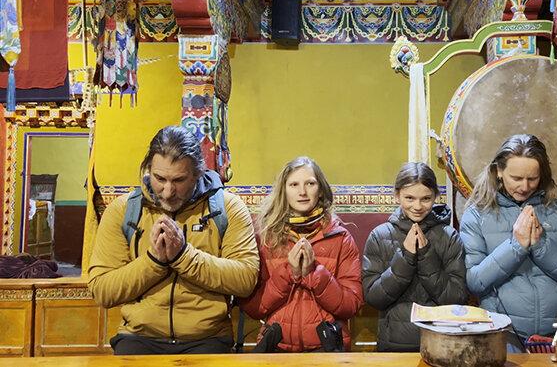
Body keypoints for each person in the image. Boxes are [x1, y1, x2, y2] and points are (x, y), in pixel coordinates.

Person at [88, 126, 260, 355]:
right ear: (148, 169)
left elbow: (245, 279)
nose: (168, 192)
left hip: (208, 340)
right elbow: (102, 291)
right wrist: (154, 261)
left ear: (197, 173)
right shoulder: (123, 211)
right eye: (160, 178)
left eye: (179, 180)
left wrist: (183, 256)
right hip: (138, 339)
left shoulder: (228, 208)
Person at [460, 134, 557, 351]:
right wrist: (516, 246)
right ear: (498, 171)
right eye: (516, 178)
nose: (525, 187)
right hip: (503, 335)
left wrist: (541, 246)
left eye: (532, 179)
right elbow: (475, 281)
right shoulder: (476, 215)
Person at [239, 156, 363, 352]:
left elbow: (351, 305)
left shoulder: (341, 238)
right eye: (294, 184)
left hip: (326, 347)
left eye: (310, 184)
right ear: (284, 190)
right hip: (277, 347)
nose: (302, 192)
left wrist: (314, 274)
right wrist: (290, 273)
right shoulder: (266, 238)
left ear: (320, 189)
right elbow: (254, 307)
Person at [362, 162, 468, 351]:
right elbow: (373, 297)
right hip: (393, 343)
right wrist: (406, 257)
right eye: (409, 198)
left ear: (436, 196)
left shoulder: (449, 237)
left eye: (426, 198)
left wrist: (427, 256)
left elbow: (456, 298)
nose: (417, 206)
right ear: (397, 196)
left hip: (441, 342)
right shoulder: (379, 236)